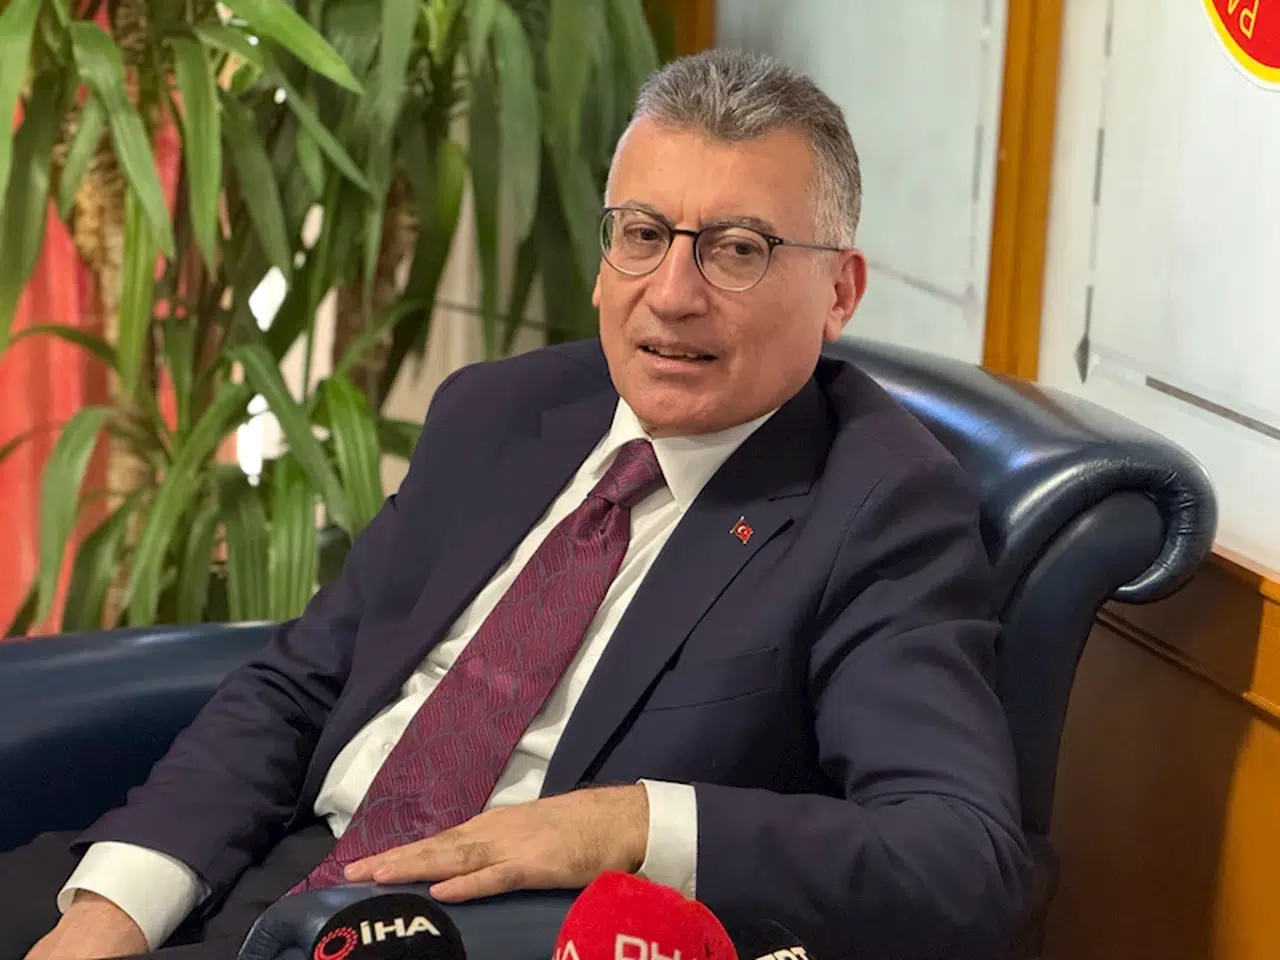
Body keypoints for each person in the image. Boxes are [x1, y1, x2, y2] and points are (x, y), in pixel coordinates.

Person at [5, 49, 1031, 960]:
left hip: (466, 928)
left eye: (737, 250)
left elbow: (958, 858)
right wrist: (115, 907)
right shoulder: (501, 412)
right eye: (643, 234)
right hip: (259, 866)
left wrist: (624, 827)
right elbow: (301, 687)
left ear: (840, 292)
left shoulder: (878, 505)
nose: (672, 294)